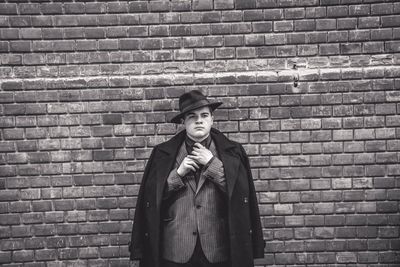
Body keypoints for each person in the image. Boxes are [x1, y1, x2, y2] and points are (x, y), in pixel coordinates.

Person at [129, 90, 265, 267]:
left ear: (212, 119)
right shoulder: (162, 154)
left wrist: (211, 164)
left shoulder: (234, 152)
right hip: (175, 250)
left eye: (204, 115)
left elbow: (242, 197)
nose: (199, 120)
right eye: (192, 116)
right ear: (183, 121)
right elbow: (150, 201)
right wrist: (178, 174)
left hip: (219, 250)